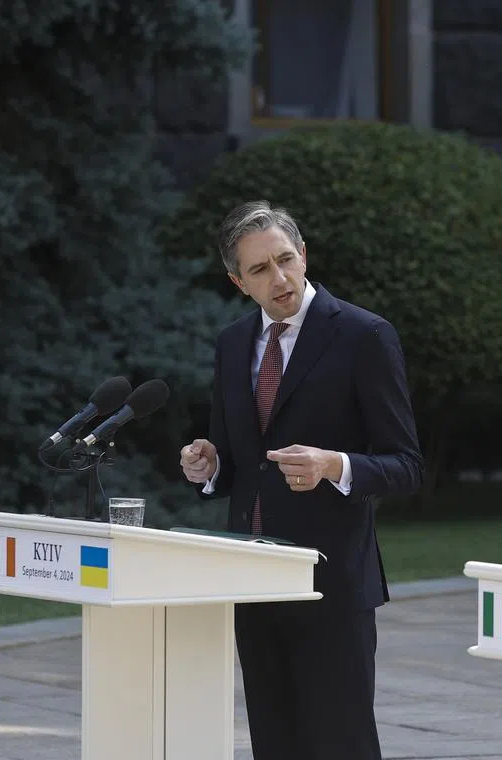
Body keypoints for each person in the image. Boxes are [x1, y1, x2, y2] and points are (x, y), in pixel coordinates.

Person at [179, 200, 423, 760]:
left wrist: (333, 465)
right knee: (275, 742)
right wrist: (209, 464)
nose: (280, 278)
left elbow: (407, 464)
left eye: (286, 259)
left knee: (341, 743)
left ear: (304, 254)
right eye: (260, 270)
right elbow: (235, 455)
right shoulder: (233, 344)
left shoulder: (365, 336)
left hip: (331, 582)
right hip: (253, 580)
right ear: (238, 282)